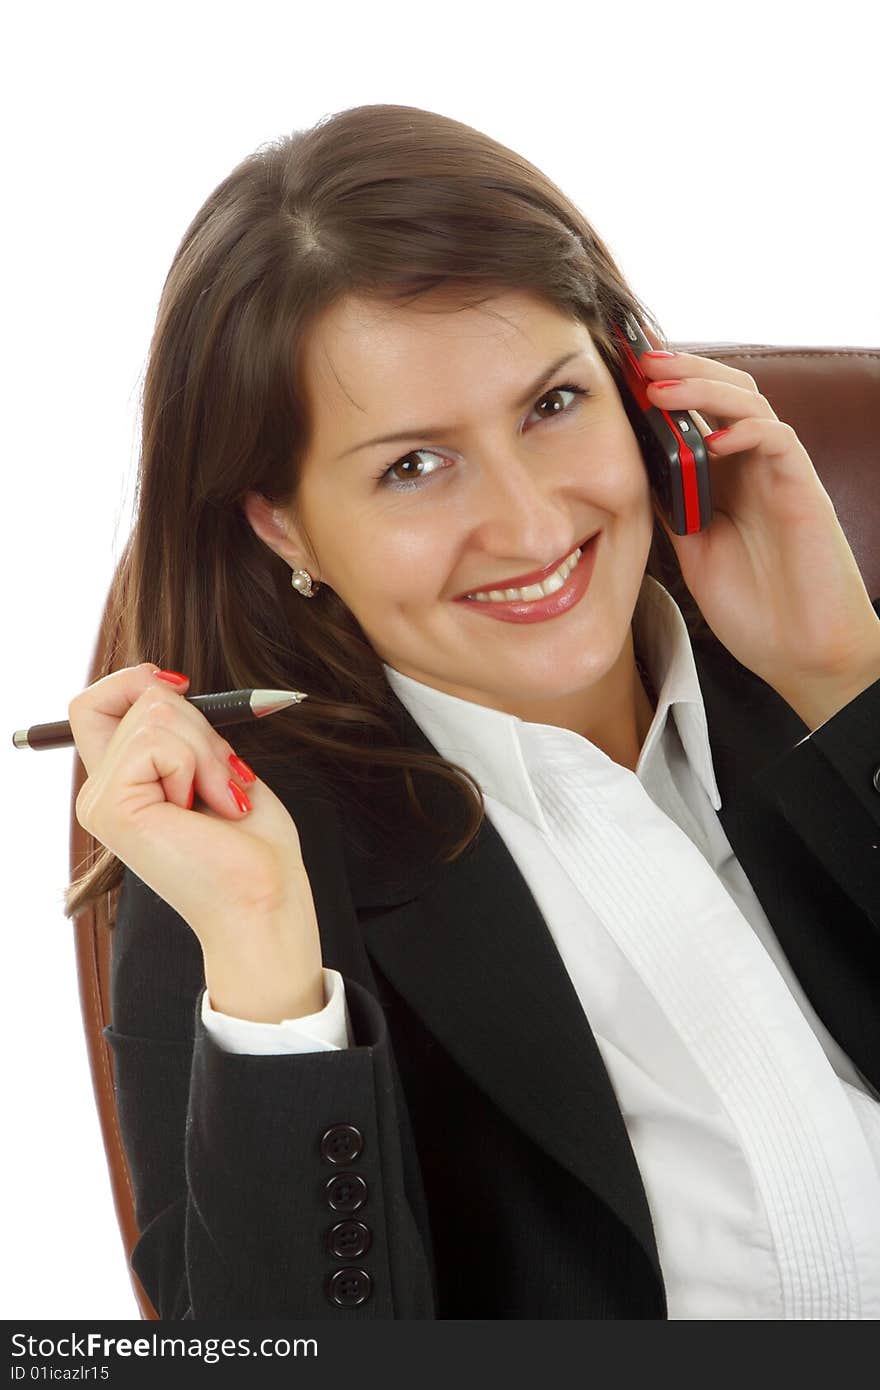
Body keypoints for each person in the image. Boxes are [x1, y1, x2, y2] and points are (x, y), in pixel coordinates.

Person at [65, 103, 880, 1321]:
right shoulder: (266, 884)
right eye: (412, 465)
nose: (534, 522)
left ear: (638, 386)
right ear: (283, 524)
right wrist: (268, 966)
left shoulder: (817, 692)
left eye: (553, 405)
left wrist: (844, 683)